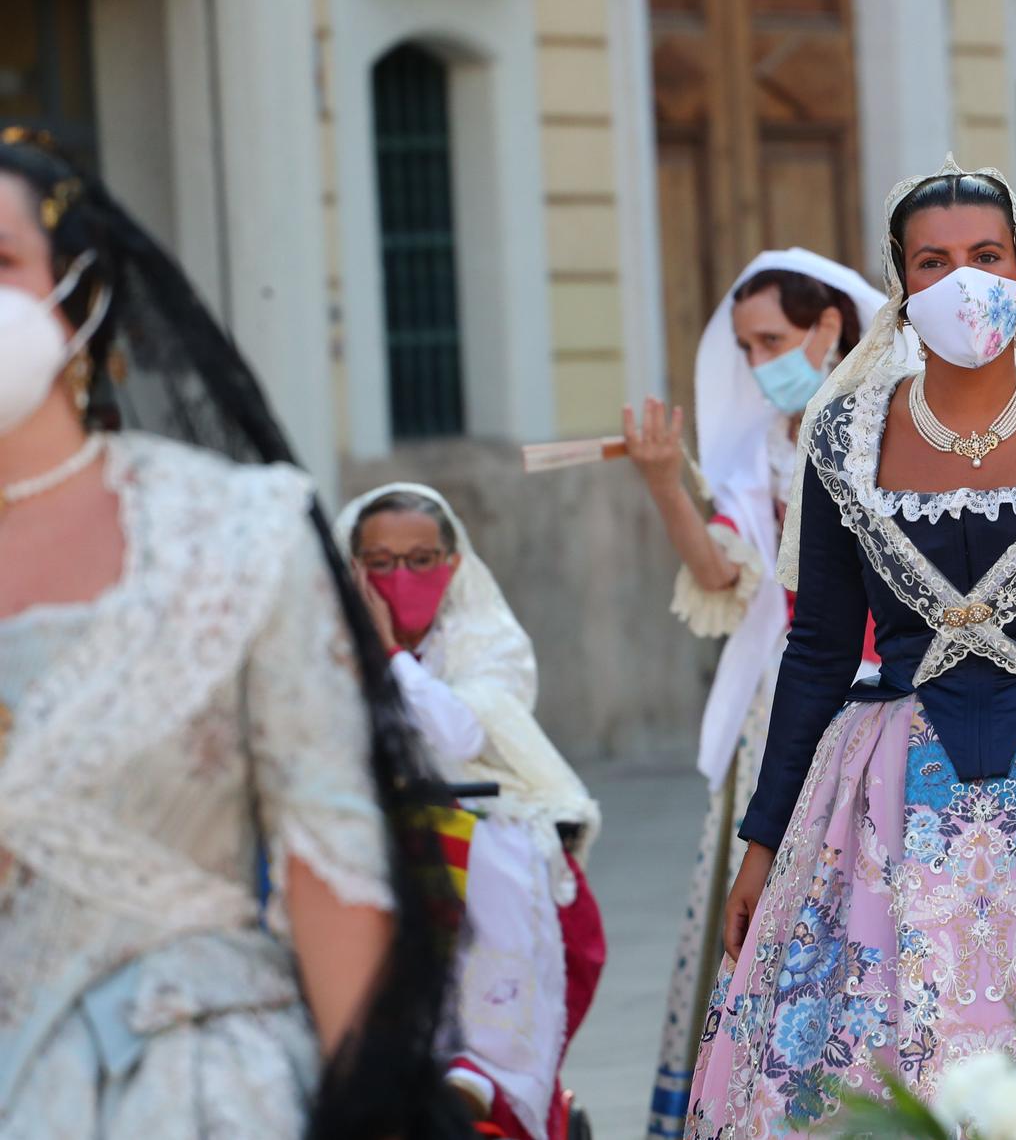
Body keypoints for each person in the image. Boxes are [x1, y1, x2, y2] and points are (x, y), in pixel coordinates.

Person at [681, 158, 1016, 1135]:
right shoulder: (845, 436)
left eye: (985, 255)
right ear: (900, 286)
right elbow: (815, 650)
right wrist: (762, 844)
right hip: (892, 789)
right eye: (932, 262)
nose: (963, 281)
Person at [0, 133, 460, 1137]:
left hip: (177, 1074)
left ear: (76, 295)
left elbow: (328, 853)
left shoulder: (226, 530)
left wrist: (365, 1107)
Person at [631, 248, 885, 1139]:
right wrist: (666, 480)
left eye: (771, 339)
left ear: (829, 328)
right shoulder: (768, 452)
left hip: (894, 695)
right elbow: (721, 572)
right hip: (790, 698)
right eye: (744, 346)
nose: (757, 362)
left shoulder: (890, 421)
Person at [337, 483, 605, 1140]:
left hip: (486, 832)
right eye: (379, 562)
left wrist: (389, 653)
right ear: (350, 570)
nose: (401, 577)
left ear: (453, 564)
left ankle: (482, 1080)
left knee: (497, 859)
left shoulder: (490, 641)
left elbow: (452, 735)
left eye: (421, 559)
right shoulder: (320, 644)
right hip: (361, 840)